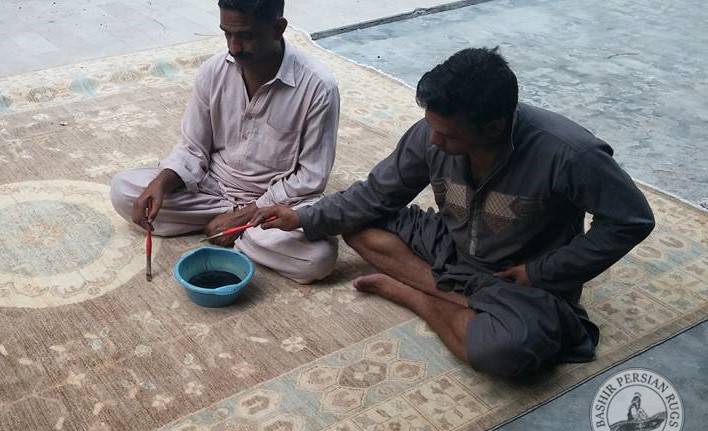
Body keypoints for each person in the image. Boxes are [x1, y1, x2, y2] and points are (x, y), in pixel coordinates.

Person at [250, 47, 656, 377]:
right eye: (432, 127)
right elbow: (376, 194)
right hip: (452, 244)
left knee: (505, 353)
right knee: (355, 221)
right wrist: (302, 217)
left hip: (519, 277)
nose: (434, 140)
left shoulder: (570, 153)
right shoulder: (432, 134)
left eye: (448, 134)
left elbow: (630, 221)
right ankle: (461, 298)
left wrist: (541, 272)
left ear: (494, 128)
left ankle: (419, 296)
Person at [110, 0, 340, 284]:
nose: (234, 47)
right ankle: (236, 232)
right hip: (213, 189)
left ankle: (235, 229)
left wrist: (249, 214)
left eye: (246, 36)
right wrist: (161, 183)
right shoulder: (213, 72)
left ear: (278, 28)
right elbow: (193, 147)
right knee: (124, 191)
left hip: (276, 202)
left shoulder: (318, 87)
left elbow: (310, 177)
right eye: (227, 34)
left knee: (317, 259)